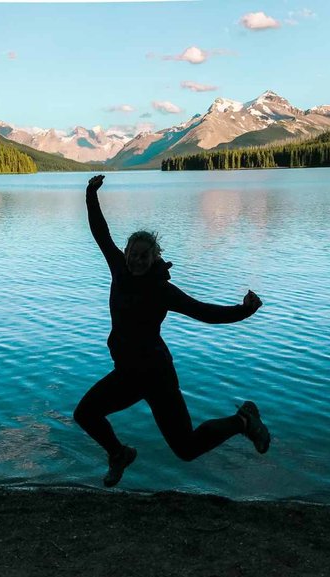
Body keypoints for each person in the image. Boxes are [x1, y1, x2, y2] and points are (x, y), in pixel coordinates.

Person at [74, 174, 270, 488]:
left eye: (144, 256)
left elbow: (205, 313)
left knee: (186, 448)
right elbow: (100, 231)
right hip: (127, 375)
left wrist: (245, 310)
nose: (137, 260)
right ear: (125, 254)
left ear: (154, 259)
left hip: (156, 377)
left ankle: (242, 421)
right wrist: (91, 193)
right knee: (86, 414)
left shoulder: (161, 290)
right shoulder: (119, 269)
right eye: (133, 254)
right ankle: (119, 454)